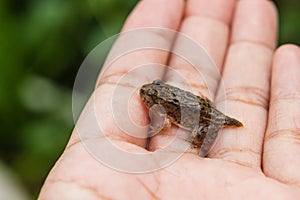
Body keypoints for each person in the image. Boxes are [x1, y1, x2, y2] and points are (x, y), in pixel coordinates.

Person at [39, 0, 300, 199]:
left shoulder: (164, 111)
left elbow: (163, 125)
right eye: (153, 91)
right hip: (196, 104)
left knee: (205, 127)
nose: (148, 95)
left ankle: (204, 136)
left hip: (202, 113)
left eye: (153, 93)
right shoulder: (164, 105)